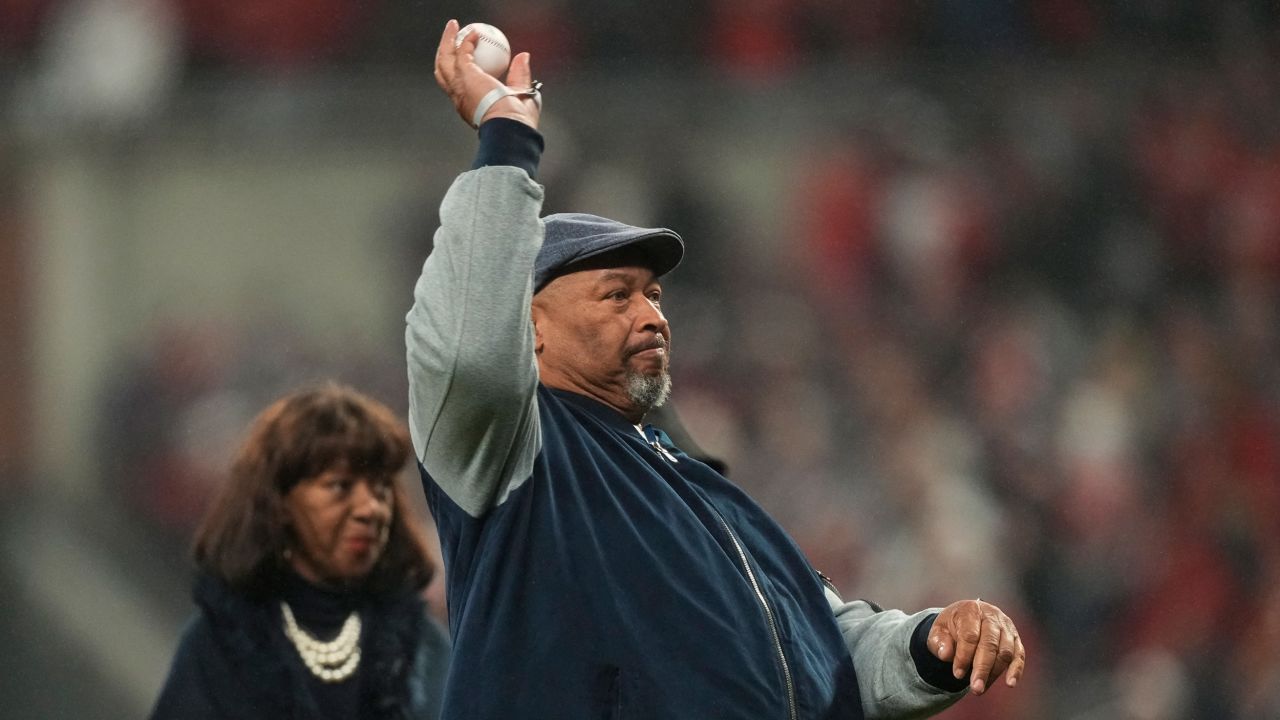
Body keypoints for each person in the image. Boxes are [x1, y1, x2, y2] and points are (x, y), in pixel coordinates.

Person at [407, 20, 1026, 718]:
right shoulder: (516, 458)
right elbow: (466, 347)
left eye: (655, 295)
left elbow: (823, 642)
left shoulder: (706, 490)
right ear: (531, 331)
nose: (652, 316)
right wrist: (506, 134)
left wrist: (928, 642)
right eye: (617, 295)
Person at [150, 383, 450, 720]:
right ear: (279, 504)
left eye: (381, 489)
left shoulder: (423, 651)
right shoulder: (218, 651)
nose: (371, 509)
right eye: (340, 486)